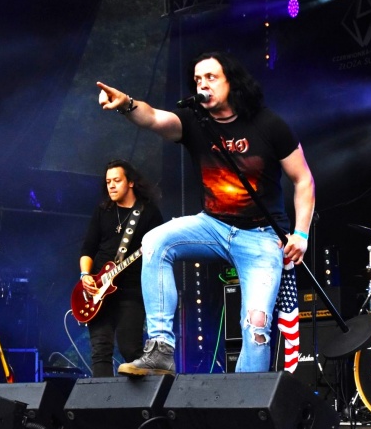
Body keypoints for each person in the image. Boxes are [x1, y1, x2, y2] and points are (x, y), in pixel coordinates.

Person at [96, 51, 315, 375]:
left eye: (211, 77)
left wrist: (301, 233)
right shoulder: (194, 121)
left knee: (256, 326)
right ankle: (160, 350)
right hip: (212, 225)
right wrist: (126, 104)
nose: (203, 85)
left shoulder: (269, 125)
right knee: (154, 241)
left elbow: (303, 180)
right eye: (198, 79)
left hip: (261, 236)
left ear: (232, 82)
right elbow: (154, 118)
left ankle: (248, 400)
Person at [79, 159, 164, 377]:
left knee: (131, 350)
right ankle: (103, 398)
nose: (111, 186)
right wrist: (85, 275)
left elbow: (159, 251)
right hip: (98, 290)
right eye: (108, 182)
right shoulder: (103, 210)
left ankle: (149, 396)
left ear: (131, 182)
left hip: (131, 291)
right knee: (100, 351)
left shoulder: (148, 213)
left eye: (117, 180)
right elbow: (88, 248)